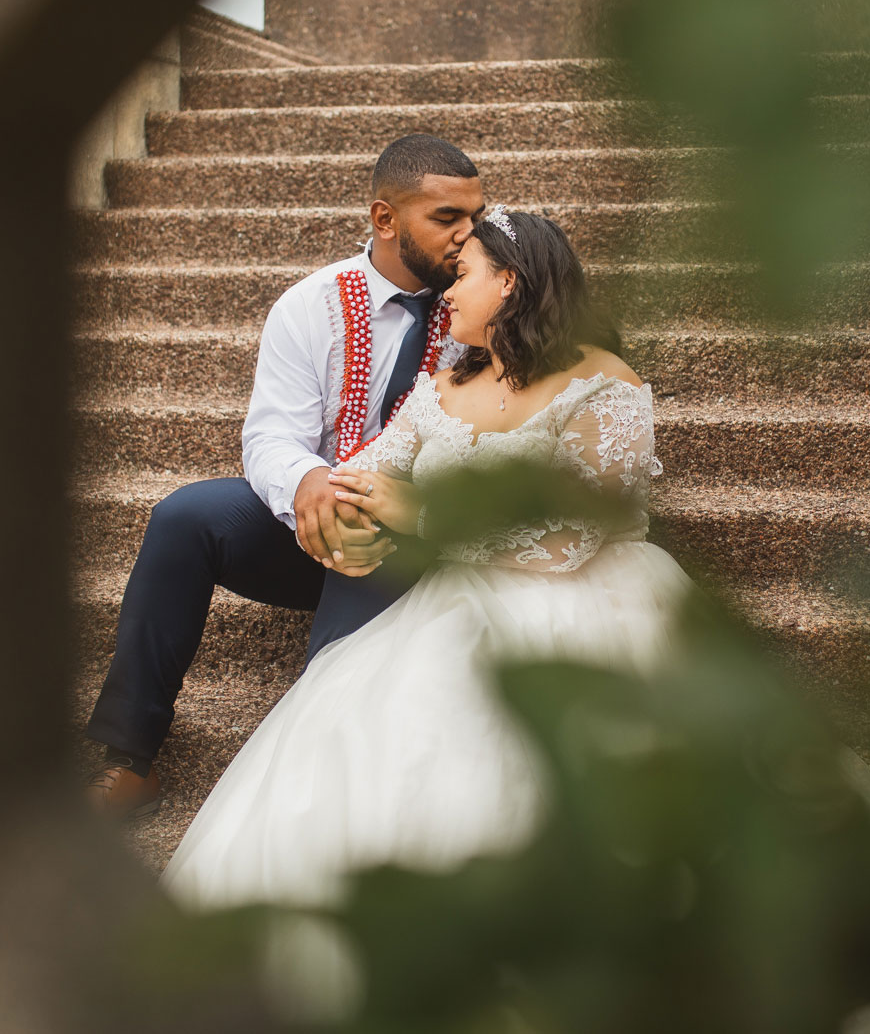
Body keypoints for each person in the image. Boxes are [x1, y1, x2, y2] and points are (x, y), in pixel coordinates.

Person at [160, 207, 693, 908]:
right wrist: (345, 525)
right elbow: (367, 473)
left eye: (462, 275)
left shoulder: (604, 385)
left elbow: (568, 540)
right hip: (453, 591)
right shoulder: (444, 385)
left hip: (592, 602)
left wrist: (416, 513)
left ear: (509, 282)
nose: (446, 294)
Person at [84, 133, 484, 817]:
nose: (467, 236)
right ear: (385, 219)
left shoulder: (485, 305)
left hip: (422, 539)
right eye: (447, 218)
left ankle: (315, 789)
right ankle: (127, 756)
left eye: (476, 216)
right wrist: (308, 483)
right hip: (312, 523)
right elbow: (270, 433)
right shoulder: (311, 304)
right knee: (184, 518)